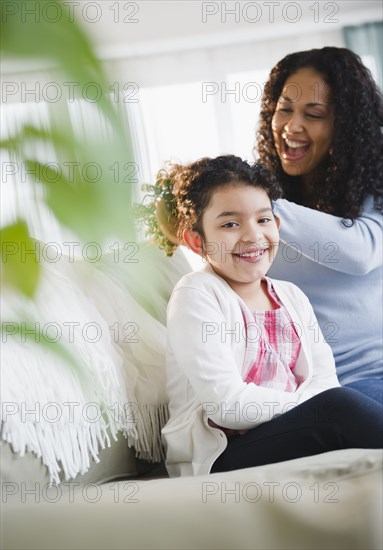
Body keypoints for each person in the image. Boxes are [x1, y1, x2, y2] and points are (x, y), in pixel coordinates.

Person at [161, 155, 382, 477]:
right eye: (230, 224)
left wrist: (317, 403)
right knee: (341, 407)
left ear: (277, 226)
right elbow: (230, 406)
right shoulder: (196, 294)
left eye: (263, 220)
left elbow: (324, 381)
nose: (253, 236)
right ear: (197, 242)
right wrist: (311, 405)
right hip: (223, 453)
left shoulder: (291, 295)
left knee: (349, 400)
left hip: (287, 431)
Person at [256, 47, 383, 403]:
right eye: (284, 110)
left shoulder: (374, 179)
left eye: (313, 114)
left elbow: (363, 251)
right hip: (299, 385)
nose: (292, 127)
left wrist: (256, 207)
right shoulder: (268, 190)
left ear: (344, 126)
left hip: (370, 375)